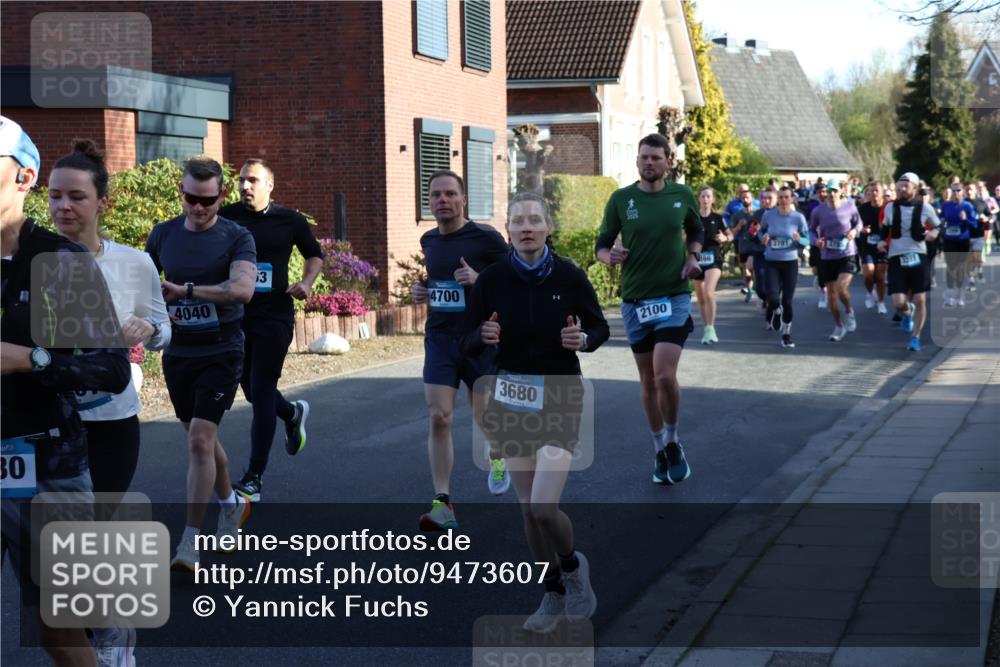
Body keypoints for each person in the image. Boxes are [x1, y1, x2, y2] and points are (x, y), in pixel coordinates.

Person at [1, 116, 130, 665]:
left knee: (60, 630)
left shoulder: (60, 262)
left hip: (45, 463)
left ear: (23, 178)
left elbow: (110, 369)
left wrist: (31, 359)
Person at [463, 191, 608, 634]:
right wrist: (482, 335)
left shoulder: (569, 275)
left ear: (548, 228)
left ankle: (571, 567)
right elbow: (467, 340)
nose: (526, 227)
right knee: (527, 512)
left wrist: (584, 340)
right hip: (512, 395)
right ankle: (553, 592)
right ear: (507, 229)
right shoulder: (492, 280)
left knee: (545, 506)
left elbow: (598, 326)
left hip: (561, 393)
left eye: (534, 220)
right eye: (518, 220)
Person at [144, 157, 256, 571]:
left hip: (222, 350)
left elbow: (243, 290)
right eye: (191, 198)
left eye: (207, 201)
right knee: (201, 439)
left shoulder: (236, 236)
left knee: (198, 442)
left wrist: (187, 290)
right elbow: (144, 285)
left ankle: (190, 541)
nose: (198, 208)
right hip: (178, 352)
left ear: (221, 196)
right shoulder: (163, 235)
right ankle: (231, 504)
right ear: (182, 192)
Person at [50, 140, 171, 500]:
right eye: (55, 196)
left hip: (112, 424)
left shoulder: (135, 263)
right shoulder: (29, 261)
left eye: (76, 196)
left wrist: (151, 329)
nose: (63, 206)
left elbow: (166, 333)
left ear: (103, 202)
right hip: (46, 424)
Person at [595, 133, 703, 485]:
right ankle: (659, 448)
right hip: (636, 300)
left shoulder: (682, 195)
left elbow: (696, 229)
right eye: (644, 157)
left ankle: (673, 441)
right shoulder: (621, 199)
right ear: (637, 160)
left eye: (656, 157)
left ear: (668, 161)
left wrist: (693, 256)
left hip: (674, 295)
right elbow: (602, 244)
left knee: (663, 374)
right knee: (647, 379)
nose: (649, 163)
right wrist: (607, 256)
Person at [218, 158, 323, 503]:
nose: (245, 186)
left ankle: (254, 477)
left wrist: (306, 282)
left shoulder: (289, 220)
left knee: (262, 389)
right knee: (249, 389)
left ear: (269, 185)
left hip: (274, 316)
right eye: (241, 181)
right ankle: (292, 413)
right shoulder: (226, 216)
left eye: (252, 180)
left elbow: (315, 254)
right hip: (235, 316)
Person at [410, 170, 510, 530]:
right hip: (440, 339)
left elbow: (513, 282)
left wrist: (480, 280)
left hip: (478, 339)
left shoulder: (486, 238)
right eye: (436, 195)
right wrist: (422, 292)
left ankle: (497, 454)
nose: (442, 200)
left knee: (485, 414)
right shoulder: (429, 240)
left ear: (463, 199)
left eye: (450, 194)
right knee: (440, 416)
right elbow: (436, 282)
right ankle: (443, 502)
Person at [876, 172, 940, 351]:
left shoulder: (925, 207)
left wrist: (934, 233)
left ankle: (915, 338)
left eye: (906, 186)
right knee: (898, 302)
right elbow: (885, 228)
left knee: (920, 298)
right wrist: (881, 241)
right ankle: (907, 313)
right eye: (899, 187)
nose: (902, 189)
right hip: (896, 256)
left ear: (915, 188)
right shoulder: (890, 208)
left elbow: (937, 225)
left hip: (918, 254)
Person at [808, 180, 863, 341]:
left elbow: (858, 223)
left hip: (847, 254)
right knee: (831, 295)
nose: (831, 194)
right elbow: (811, 230)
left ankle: (849, 311)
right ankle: (839, 325)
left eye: (834, 191)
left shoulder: (850, 207)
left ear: (840, 192)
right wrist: (815, 241)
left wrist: (854, 231)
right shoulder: (818, 211)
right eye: (829, 191)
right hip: (827, 256)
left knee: (841, 288)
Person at [759, 186, 810, 348]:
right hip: (772, 261)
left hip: (790, 262)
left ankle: (786, 333)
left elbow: (807, 240)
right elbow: (761, 232)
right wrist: (764, 238)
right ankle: (776, 311)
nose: (783, 201)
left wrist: (798, 239)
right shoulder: (769, 215)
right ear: (777, 200)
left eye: (786, 197)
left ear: (792, 199)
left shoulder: (798, 218)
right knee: (772, 298)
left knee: (787, 300)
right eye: (780, 197)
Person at [693, 186, 731, 344]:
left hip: (713, 259)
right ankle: (707, 328)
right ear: (699, 199)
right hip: (696, 259)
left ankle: (711, 328)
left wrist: (725, 238)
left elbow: (730, 234)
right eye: (703, 196)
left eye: (709, 196)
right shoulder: (693, 218)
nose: (706, 199)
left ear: (713, 199)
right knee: (701, 298)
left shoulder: (719, 218)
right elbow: (683, 235)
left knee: (709, 293)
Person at [940, 182, 976, 307]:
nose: (955, 192)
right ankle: (950, 296)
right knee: (950, 267)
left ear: (963, 192)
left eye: (958, 190)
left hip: (962, 241)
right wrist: (942, 222)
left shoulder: (967, 206)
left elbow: (974, 225)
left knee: (960, 267)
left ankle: (960, 296)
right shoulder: (946, 205)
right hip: (949, 240)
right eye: (953, 190)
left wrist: (965, 219)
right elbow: (941, 220)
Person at [858, 181, 889, 314]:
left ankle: (881, 302)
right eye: (871, 191)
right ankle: (871, 293)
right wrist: (862, 229)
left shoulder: (888, 208)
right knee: (868, 274)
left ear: (882, 193)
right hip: (867, 246)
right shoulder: (863, 208)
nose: (873, 193)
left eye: (876, 190)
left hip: (883, 246)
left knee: (881, 276)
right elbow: (855, 225)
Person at [724, 184, 755, 297]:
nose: (744, 198)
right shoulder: (735, 209)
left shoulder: (757, 210)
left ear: (752, 197)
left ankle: (754, 287)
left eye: (746, 194)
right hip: (741, 242)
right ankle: (749, 287)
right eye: (742, 195)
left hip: (755, 244)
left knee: (751, 265)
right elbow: (729, 224)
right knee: (744, 267)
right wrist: (737, 226)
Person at [804, 181, 828, 308]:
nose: (822, 194)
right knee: (816, 268)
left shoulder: (832, 204)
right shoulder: (812, 205)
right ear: (816, 193)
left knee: (825, 267)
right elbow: (807, 222)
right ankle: (819, 279)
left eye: (824, 191)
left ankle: (824, 293)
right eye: (820, 192)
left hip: (828, 241)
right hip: (815, 241)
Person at [965, 182, 988, 287]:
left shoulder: (981, 202)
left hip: (978, 235)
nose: (969, 191)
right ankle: (971, 280)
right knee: (968, 259)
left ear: (975, 191)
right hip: (965, 236)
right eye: (967, 189)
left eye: (971, 189)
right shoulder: (963, 203)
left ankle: (979, 269)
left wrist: (986, 218)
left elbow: (990, 215)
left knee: (977, 257)